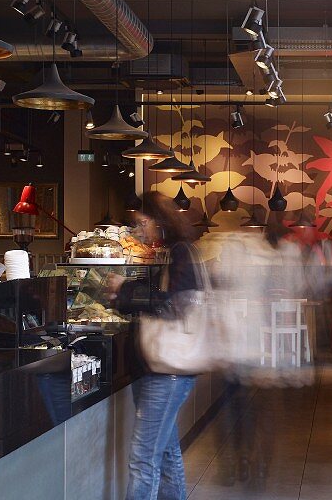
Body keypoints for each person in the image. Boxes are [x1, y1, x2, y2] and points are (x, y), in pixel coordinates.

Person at [105, 192, 200, 500]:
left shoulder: (182, 253)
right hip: (157, 367)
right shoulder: (172, 252)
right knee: (168, 452)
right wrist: (124, 295)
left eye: (141, 223)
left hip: (168, 370)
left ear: (158, 222)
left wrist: (126, 290)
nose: (139, 230)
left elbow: (177, 305)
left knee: (143, 460)